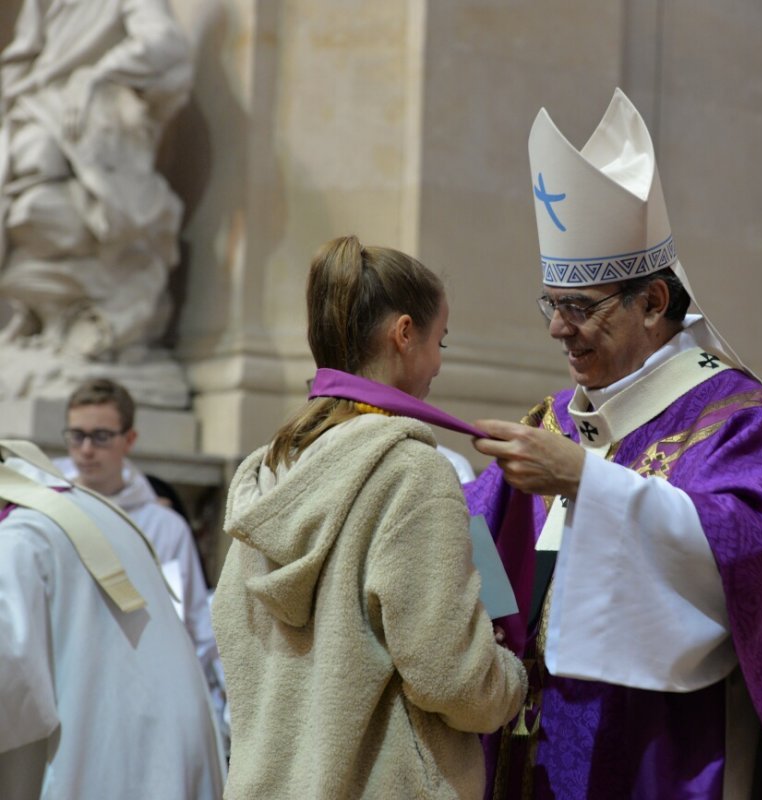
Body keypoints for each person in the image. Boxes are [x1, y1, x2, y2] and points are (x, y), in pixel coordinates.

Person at [467, 89, 762, 798]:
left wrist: (586, 480)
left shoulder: (737, 418)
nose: (558, 329)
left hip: (657, 751)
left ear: (654, 303)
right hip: (531, 741)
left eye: (581, 307)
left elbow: (750, 556)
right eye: (553, 304)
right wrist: (490, 633)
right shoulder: (553, 419)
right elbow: (480, 540)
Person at [212, 235, 527, 799]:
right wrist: (509, 680)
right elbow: (451, 677)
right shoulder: (411, 471)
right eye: (440, 342)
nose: (437, 364)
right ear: (404, 334)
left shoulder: (271, 469)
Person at [0, 438, 224, 799]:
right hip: (159, 751)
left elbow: (9, 685)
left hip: (104, 762)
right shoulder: (84, 509)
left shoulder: (19, 541)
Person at [0, 0, 192, 356]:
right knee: (22, 187)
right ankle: (46, 314)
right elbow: (21, 56)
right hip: (31, 103)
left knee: (37, 172)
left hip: (85, 109)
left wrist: (99, 72)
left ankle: (88, 306)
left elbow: (165, 42)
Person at [54, 378, 222, 706]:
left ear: (129, 439)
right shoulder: (47, 505)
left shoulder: (164, 527)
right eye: (77, 436)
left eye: (101, 437)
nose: (86, 449)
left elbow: (192, 624)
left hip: (138, 687)